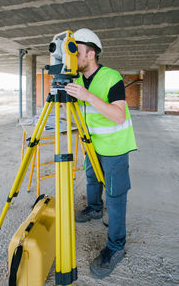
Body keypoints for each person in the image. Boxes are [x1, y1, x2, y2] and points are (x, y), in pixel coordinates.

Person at [65, 28, 137, 279]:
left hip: (115, 148)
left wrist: (86, 96)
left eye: (76, 51)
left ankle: (116, 247)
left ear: (91, 53)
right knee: (92, 179)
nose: (73, 57)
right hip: (91, 145)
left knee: (115, 196)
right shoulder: (75, 79)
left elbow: (118, 115)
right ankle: (95, 208)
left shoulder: (111, 77)